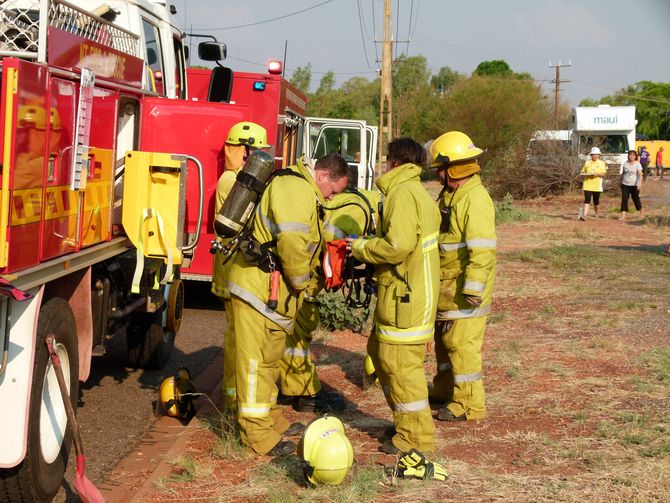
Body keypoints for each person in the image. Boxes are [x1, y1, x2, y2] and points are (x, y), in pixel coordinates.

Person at [226, 153, 349, 456]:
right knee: (255, 363)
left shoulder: (301, 188)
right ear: (322, 175)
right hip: (259, 289)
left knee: (269, 359)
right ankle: (256, 434)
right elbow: (293, 245)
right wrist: (303, 284)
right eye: (332, 190)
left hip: (271, 292)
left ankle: (267, 419)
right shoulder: (296, 190)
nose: (331, 197)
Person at [347, 137, 441, 456]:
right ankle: (407, 427)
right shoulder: (415, 192)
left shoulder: (402, 193)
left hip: (406, 297)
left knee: (401, 368)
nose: (382, 165)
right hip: (409, 293)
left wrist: (361, 247)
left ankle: (415, 440)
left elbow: (398, 245)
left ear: (396, 162)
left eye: (386, 159)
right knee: (388, 360)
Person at [278, 189, 378, 413]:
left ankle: (294, 386)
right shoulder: (359, 211)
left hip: (302, 269)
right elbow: (334, 247)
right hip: (308, 275)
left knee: (294, 332)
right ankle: (302, 392)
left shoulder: (355, 201)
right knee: (298, 332)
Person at [428, 131, 496, 423]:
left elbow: (482, 250)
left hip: (464, 291)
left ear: (453, 167)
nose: (439, 175)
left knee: (462, 346)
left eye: (441, 169)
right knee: (444, 342)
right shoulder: (452, 195)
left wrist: (473, 289)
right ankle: (445, 390)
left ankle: (470, 405)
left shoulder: (475, 200)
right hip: (447, 286)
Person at [211, 121, 270, 410]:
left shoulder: (240, 178)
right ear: (246, 152)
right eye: (259, 153)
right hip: (233, 267)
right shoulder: (233, 181)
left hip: (236, 266)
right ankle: (232, 398)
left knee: (240, 333)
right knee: (236, 336)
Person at [579, 147, 607, 220]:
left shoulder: (602, 163)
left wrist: (597, 174)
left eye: (596, 154)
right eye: (593, 154)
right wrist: (586, 174)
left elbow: (604, 174)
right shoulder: (587, 162)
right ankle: (584, 215)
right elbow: (582, 172)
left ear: (599, 155)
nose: (594, 156)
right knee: (587, 199)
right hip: (587, 184)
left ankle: (596, 213)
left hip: (597, 185)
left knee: (596, 201)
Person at [619, 150, 643, 220]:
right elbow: (623, 173)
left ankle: (641, 212)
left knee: (635, 199)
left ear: (635, 156)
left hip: (634, 185)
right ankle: (623, 216)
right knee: (624, 199)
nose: (631, 156)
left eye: (633, 155)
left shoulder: (637, 164)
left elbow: (640, 175)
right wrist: (620, 182)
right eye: (630, 155)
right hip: (625, 184)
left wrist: (639, 184)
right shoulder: (625, 163)